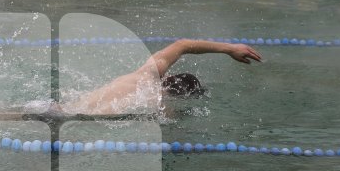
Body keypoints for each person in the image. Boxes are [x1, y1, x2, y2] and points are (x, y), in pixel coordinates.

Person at [56, 39, 261, 115]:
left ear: (168, 76)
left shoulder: (146, 74)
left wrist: (229, 48)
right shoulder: (160, 107)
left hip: (58, 109)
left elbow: (182, 45)